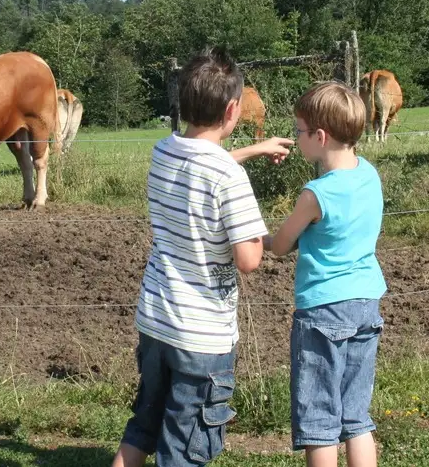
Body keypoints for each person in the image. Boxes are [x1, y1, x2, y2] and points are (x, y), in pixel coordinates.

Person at [111, 46, 293, 467]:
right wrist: (267, 237)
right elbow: (247, 258)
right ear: (233, 110)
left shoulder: (163, 151)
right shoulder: (229, 177)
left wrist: (253, 149)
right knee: (183, 448)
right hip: (201, 336)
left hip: (156, 321)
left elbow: (200, 166)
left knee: (144, 425)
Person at [264, 81, 388, 467]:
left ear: (320, 136)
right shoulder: (369, 174)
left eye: (299, 131)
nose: (296, 138)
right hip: (366, 304)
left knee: (319, 418)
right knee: (356, 417)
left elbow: (282, 244)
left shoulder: (315, 194)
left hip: (323, 311)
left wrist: (256, 236)